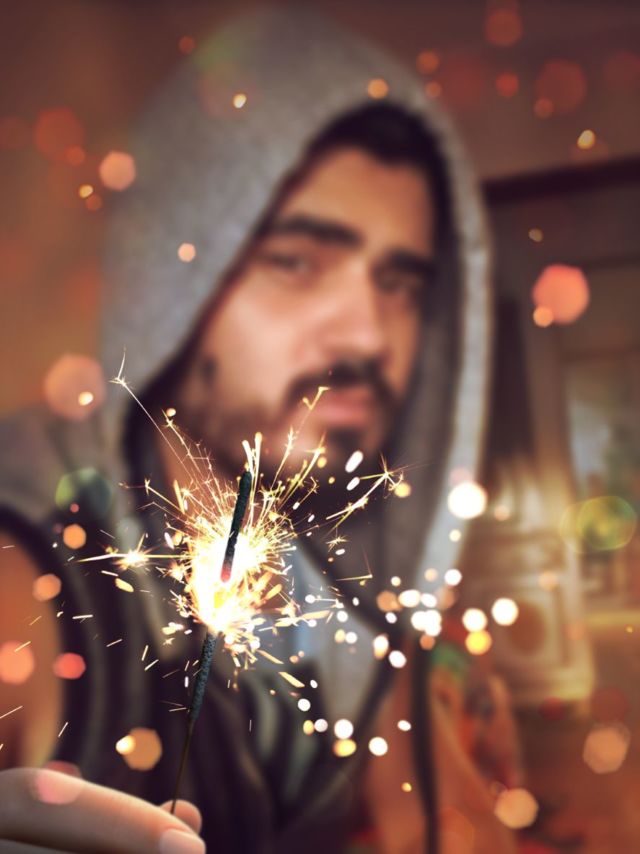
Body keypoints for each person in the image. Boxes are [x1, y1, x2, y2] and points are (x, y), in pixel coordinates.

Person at [0, 7, 518, 852]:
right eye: (296, 261)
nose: (368, 336)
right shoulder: (33, 583)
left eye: (399, 282)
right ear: (169, 283)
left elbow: (447, 827)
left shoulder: (352, 607)